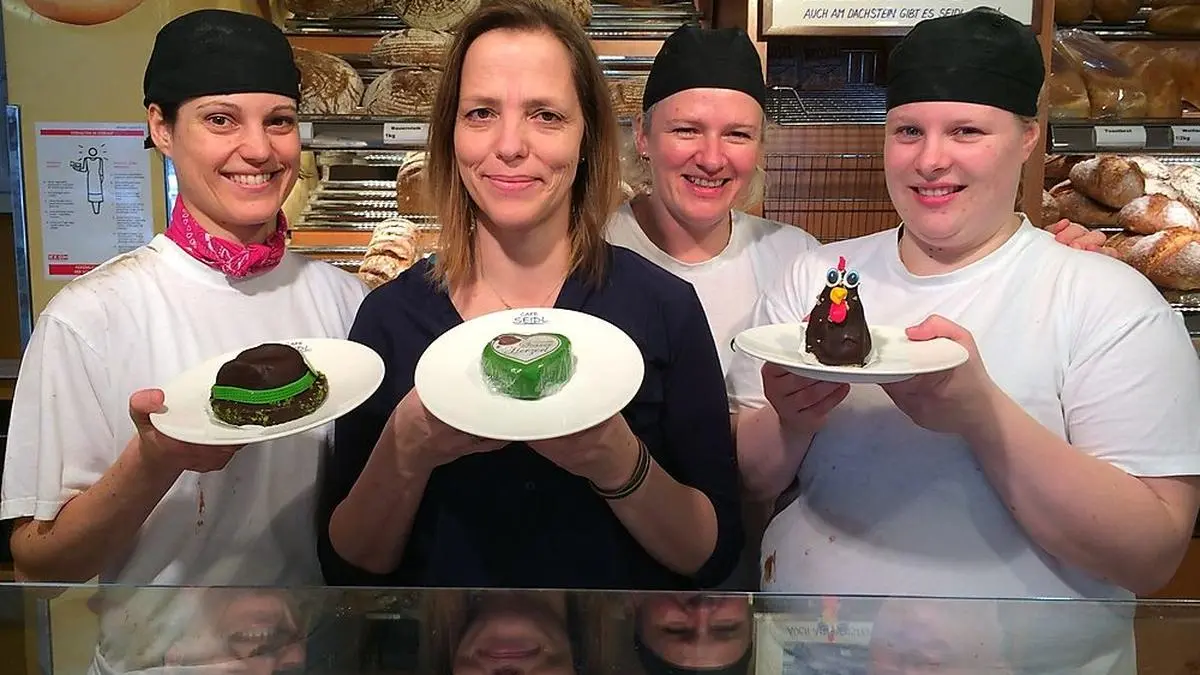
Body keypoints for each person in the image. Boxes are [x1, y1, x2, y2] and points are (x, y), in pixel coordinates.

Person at [729, 7, 1200, 672]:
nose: (931, 159)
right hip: (816, 653)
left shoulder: (1105, 300)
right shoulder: (819, 278)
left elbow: (1150, 554)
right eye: (908, 131)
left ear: (1028, 137)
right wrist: (791, 417)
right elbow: (753, 476)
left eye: (967, 130)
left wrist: (983, 416)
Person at [605, 24, 1108, 590]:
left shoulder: (795, 258)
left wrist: (1048, 265)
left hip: (740, 568)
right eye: (686, 129)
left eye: (739, 134)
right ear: (643, 136)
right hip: (609, 542)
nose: (713, 157)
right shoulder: (598, 257)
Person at [318, 0, 742, 590]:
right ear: (451, 134)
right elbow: (346, 567)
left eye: (545, 115)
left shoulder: (663, 308)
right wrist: (404, 448)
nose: (510, 145)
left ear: (587, 135)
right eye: (482, 112)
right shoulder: (390, 318)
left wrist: (620, 462)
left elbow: (712, 555)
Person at [0, 7, 366, 671]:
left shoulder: (344, 302)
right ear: (161, 128)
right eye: (221, 119)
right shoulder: (92, 316)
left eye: (278, 120)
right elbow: (39, 565)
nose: (258, 149)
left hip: (306, 658)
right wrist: (156, 459)